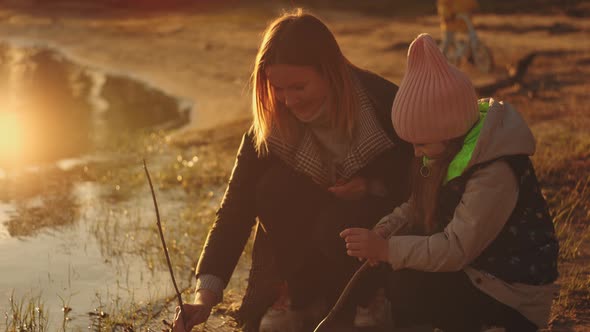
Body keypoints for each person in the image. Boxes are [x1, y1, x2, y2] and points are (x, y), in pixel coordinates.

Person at [172, 9, 413, 332]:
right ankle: (304, 300)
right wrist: (205, 297)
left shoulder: (384, 106)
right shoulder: (270, 128)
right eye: (278, 88)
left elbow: (424, 184)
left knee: (335, 224)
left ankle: (371, 299)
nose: (288, 100)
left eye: (299, 87)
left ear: (331, 72)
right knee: (273, 188)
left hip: (376, 242)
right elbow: (235, 209)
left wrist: (372, 186)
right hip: (312, 254)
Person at [341, 33, 559, 332]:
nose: (416, 154)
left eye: (422, 145)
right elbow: (415, 207)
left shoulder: (494, 172)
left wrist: (387, 250)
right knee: (403, 273)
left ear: (451, 132)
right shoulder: (443, 154)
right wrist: (385, 230)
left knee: (408, 276)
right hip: (476, 273)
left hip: (510, 295)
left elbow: (456, 249)